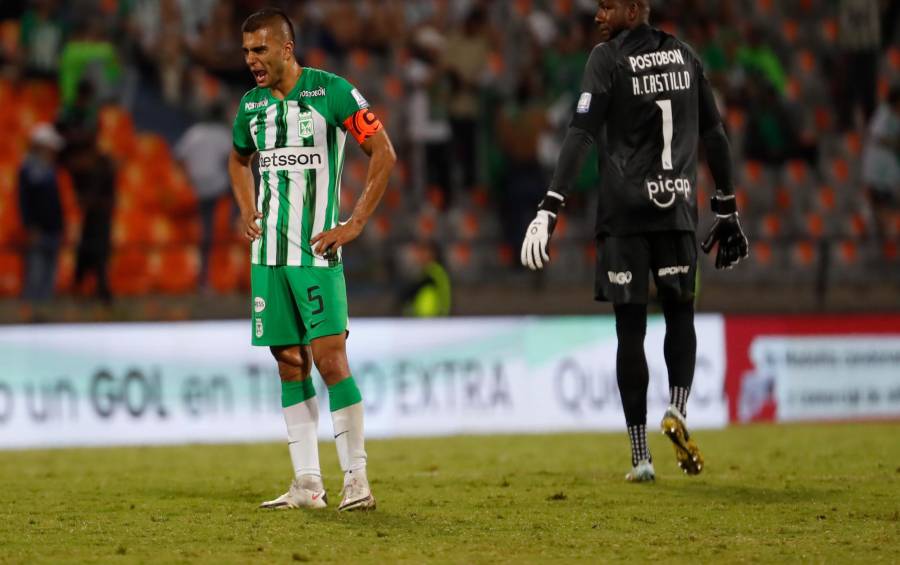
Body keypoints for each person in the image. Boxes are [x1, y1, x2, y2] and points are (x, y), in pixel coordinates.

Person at [520, 0, 749, 482]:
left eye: (607, 6)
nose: (598, 16)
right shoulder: (686, 55)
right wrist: (726, 205)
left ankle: (640, 456)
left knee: (630, 332)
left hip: (623, 215)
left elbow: (581, 133)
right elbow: (715, 135)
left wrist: (550, 205)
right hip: (677, 209)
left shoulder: (607, 59)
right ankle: (680, 410)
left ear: (633, 10)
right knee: (680, 314)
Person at [229, 9, 396, 511]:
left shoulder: (332, 92)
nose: (251, 60)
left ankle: (357, 481)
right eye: (245, 52)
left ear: (286, 48)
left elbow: (382, 152)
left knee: (330, 359)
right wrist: (245, 207)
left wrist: (356, 222)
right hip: (269, 258)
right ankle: (306, 484)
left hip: (316, 253)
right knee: (288, 363)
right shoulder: (251, 106)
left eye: (260, 50)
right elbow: (238, 159)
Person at [174, 102, 233, 290]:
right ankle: (234, 220)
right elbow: (235, 161)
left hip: (193, 187)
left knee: (202, 230)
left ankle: (202, 276)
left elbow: (178, 157)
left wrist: (188, 177)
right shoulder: (222, 134)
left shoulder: (193, 132)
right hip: (216, 188)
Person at [18, 123, 65, 303]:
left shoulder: (51, 170)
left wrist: (60, 226)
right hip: (38, 230)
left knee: (50, 273)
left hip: (53, 228)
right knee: (35, 272)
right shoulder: (28, 169)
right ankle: (30, 310)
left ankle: (44, 311)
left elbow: (55, 203)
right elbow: (24, 201)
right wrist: (30, 226)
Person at [861, 86, 900, 239]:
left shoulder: (894, 115)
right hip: (879, 170)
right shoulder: (883, 115)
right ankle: (879, 231)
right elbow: (877, 138)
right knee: (881, 201)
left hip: (887, 170)